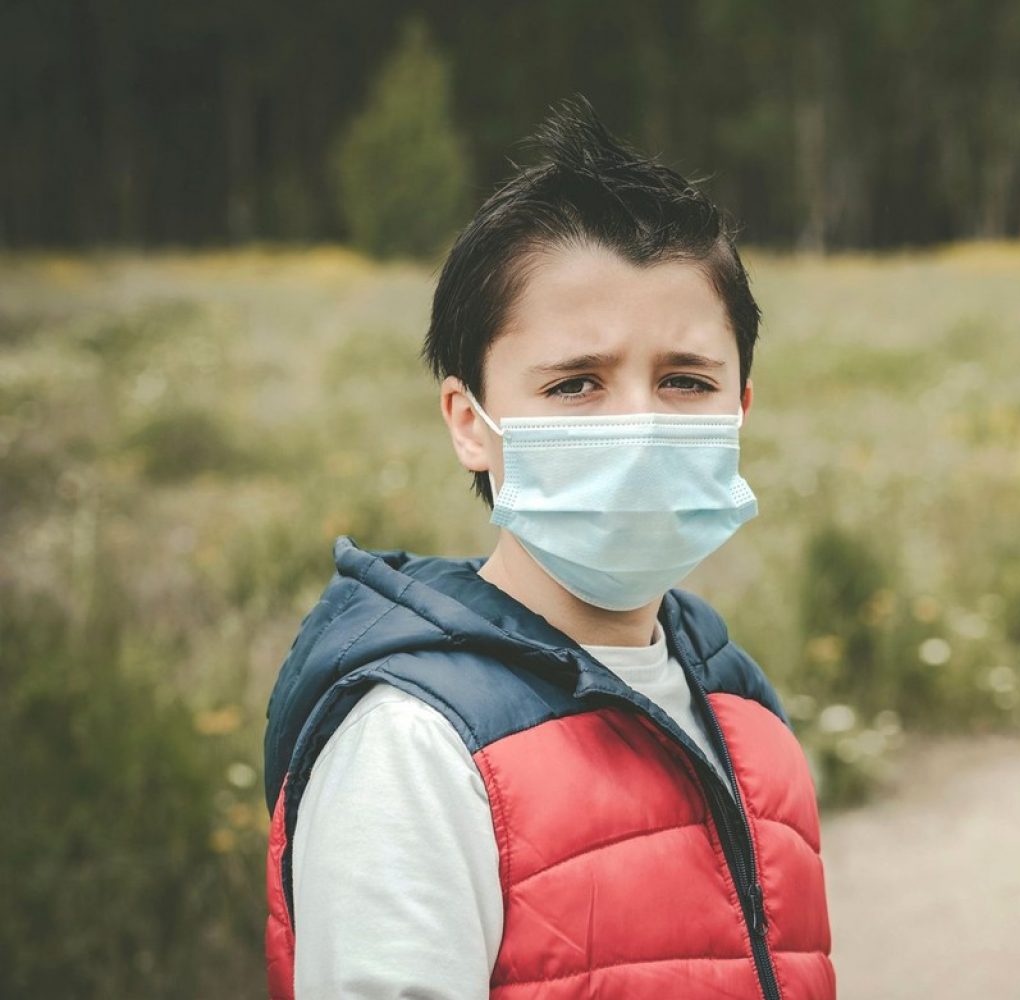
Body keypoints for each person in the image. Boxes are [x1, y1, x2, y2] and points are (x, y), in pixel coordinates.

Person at [261, 96, 835, 1000]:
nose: (638, 427)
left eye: (686, 380)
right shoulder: (413, 751)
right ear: (470, 422)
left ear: (741, 409)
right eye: (575, 384)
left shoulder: (742, 711)